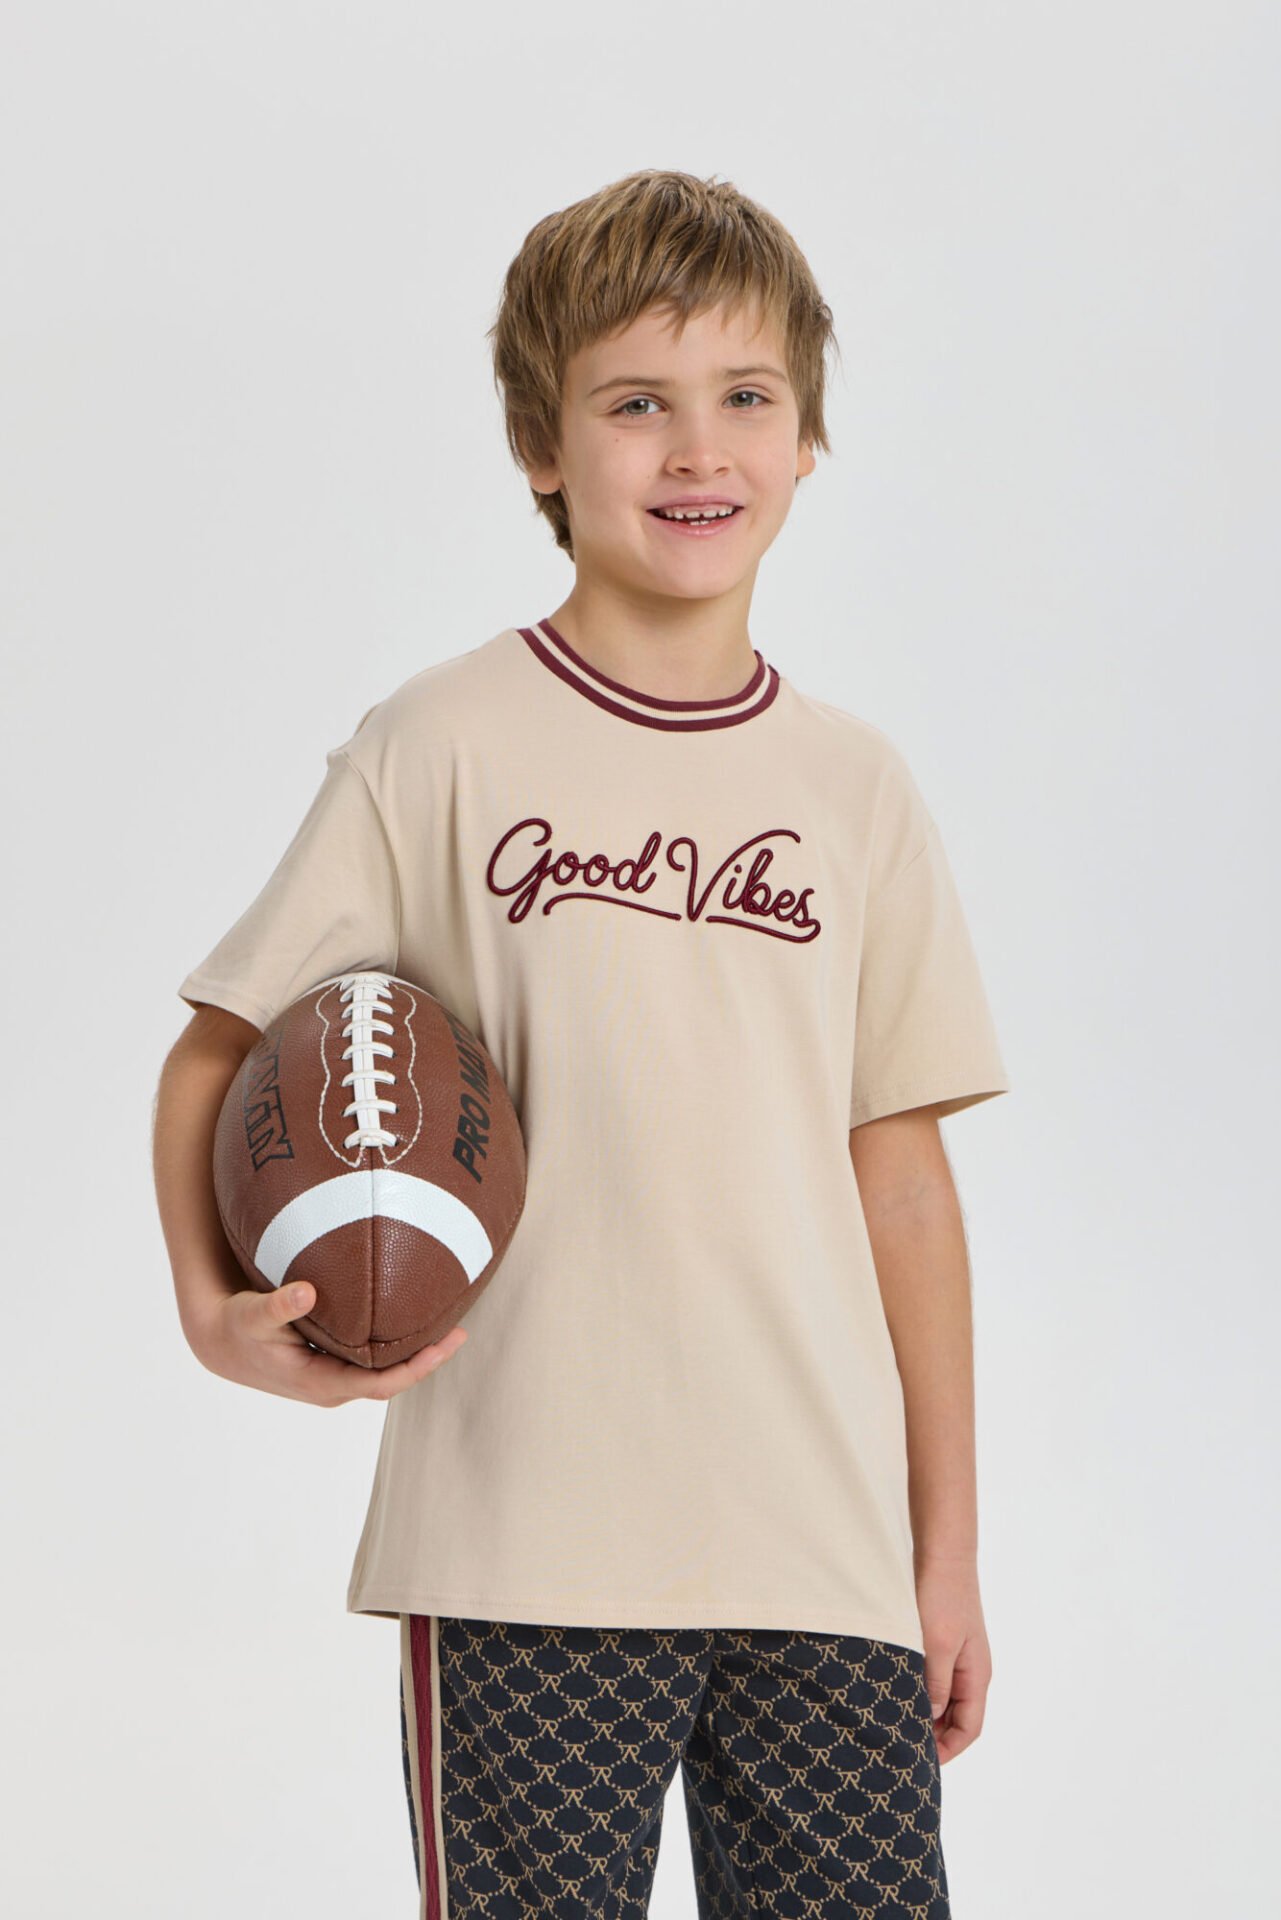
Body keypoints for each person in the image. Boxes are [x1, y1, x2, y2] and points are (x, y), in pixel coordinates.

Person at [153, 167, 1010, 1919]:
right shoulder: (439, 745)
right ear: (538, 446)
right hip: (522, 1539)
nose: (696, 449)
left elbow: (904, 1185)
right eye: (634, 403)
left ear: (807, 437)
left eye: (744, 397)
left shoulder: (854, 787)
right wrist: (208, 1307)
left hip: (819, 1548)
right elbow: (217, 1051)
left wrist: (944, 1551)